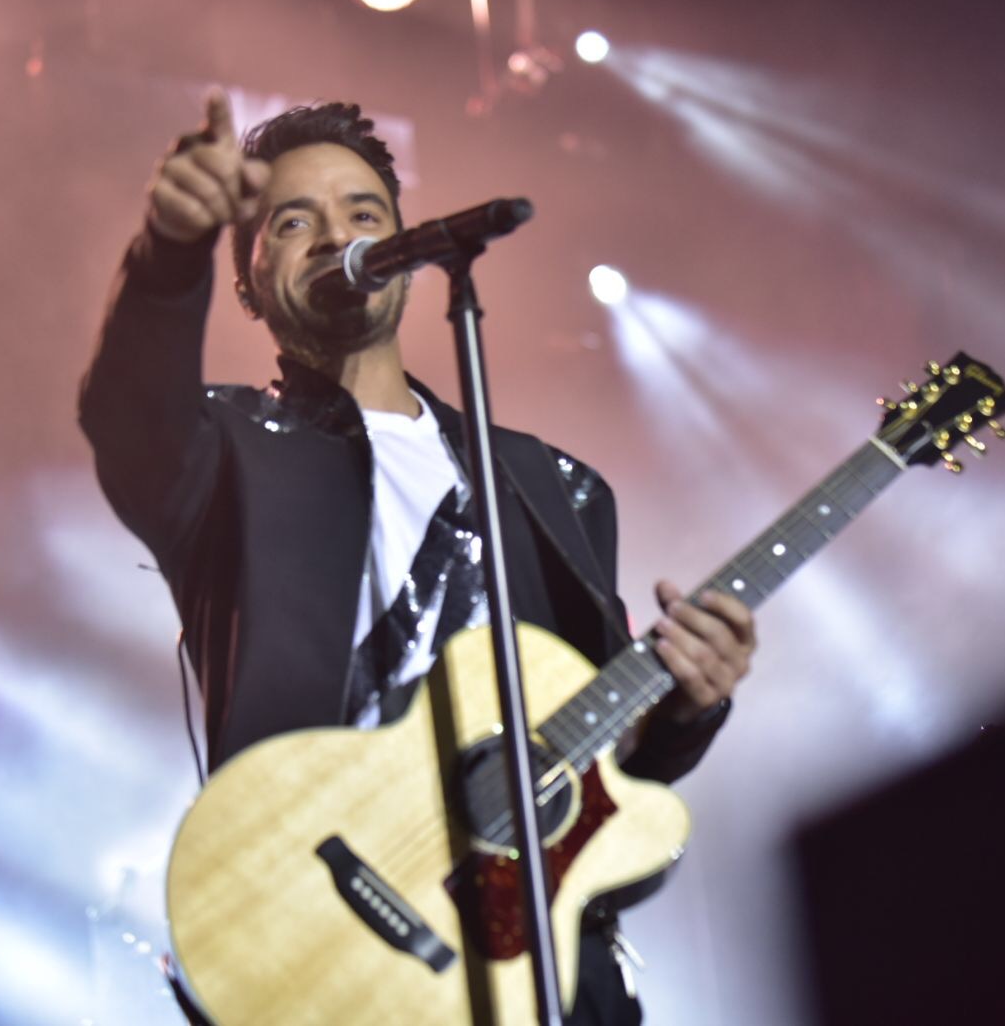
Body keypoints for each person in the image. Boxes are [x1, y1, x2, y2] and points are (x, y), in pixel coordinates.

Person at [78, 91, 757, 1025]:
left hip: (535, 973)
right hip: (324, 956)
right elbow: (127, 412)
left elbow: (597, 780)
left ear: (407, 252)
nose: (337, 237)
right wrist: (169, 251)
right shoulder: (224, 451)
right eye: (293, 222)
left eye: (365, 215)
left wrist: (687, 710)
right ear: (247, 281)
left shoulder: (555, 487)